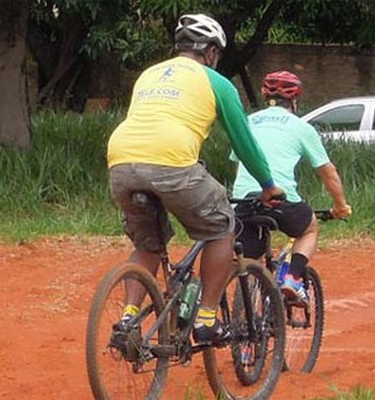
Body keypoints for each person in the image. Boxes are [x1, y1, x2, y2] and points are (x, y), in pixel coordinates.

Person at [107, 14, 284, 345]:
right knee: (221, 227)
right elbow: (243, 142)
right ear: (212, 52)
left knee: (148, 244)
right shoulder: (216, 82)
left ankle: (128, 318)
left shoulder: (148, 75)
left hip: (120, 162)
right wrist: (267, 184)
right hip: (171, 161)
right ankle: (206, 318)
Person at [231, 70, 352, 306]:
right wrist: (340, 205)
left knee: (250, 262)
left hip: (243, 201)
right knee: (309, 229)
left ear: (265, 97)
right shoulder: (301, 127)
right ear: (295, 101)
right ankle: (293, 279)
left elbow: (240, 163)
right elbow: (328, 172)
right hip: (279, 199)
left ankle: (245, 322)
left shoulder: (247, 123)